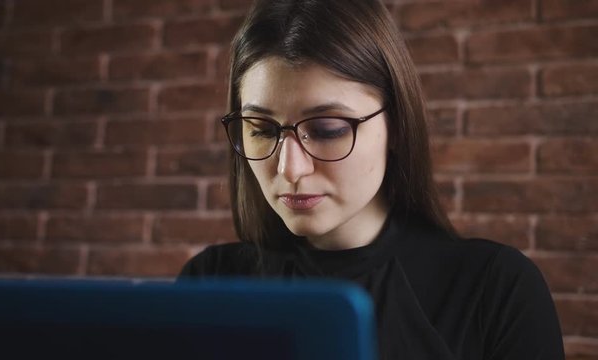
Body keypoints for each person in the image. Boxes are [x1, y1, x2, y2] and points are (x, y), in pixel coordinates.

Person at [179, 0, 565, 358]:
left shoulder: (494, 291)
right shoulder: (209, 283)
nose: (290, 169)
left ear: (395, 125)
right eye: (261, 129)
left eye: (328, 129)